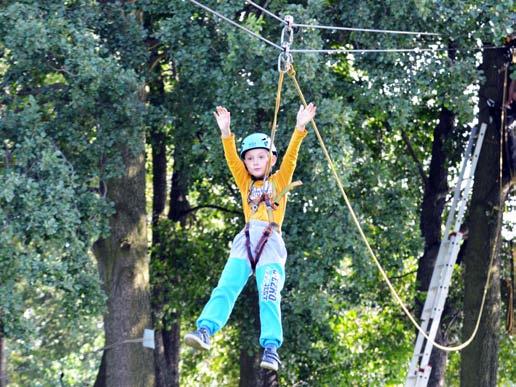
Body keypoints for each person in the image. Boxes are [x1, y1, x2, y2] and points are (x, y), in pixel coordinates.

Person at [184, 103, 316, 371]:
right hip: (245, 242)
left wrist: (300, 128)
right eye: (251, 158)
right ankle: (206, 330)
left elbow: (291, 158)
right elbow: (232, 161)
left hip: (271, 245)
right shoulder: (245, 183)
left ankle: (270, 348)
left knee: (269, 295)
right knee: (226, 287)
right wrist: (226, 133)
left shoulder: (279, 182)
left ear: (271, 159)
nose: (255, 162)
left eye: (261, 157)